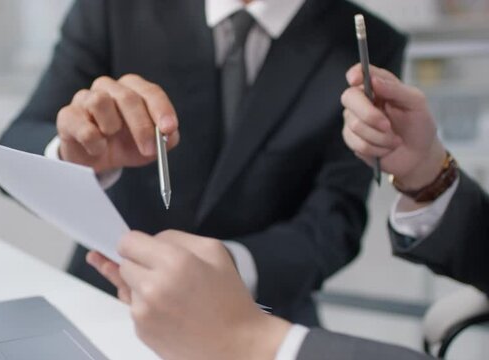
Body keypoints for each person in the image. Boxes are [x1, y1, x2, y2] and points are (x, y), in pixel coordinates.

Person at [0, 0, 406, 324]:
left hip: (256, 316)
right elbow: (15, 148)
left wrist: (228, 268)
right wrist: (72, 154)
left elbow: (336, 219)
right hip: (104, 303)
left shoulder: (366, 45)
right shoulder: (113, 7)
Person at [87, 63, 489, 360]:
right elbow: (29, 130)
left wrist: (253, 341)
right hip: (102, 305)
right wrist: (427, 172)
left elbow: (334, 223)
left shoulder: (349, 33)